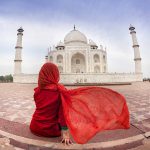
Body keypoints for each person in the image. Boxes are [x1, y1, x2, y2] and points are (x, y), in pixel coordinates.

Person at [30, 62, 130, 145]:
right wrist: (66, 135)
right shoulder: (59, 91)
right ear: (55, 74)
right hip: (50, 131)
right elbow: (62, 115)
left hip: (34, 126)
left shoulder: (37, 91)